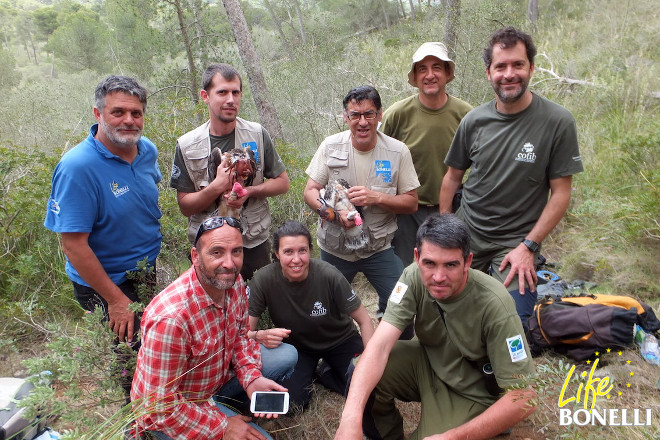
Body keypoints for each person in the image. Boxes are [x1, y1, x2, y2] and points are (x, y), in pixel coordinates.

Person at [335, 214, 537, 440]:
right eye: (429, 263)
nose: (438, 277)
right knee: (360, 369)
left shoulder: (495, 304)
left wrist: (453, 437)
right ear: (417, 257)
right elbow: (379, 346)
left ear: (467, 262)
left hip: (473, 392)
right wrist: (350, 419)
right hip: (429, 366)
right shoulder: (413, 276)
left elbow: (525, 396)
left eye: (451, 265)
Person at [440, 27, 583, 328]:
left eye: (517, 64)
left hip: (516, 242)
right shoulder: (474, 121)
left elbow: (560, 194)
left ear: (531, 67)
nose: (509, 74)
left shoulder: (557, 122)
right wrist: (446, 230)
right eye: (500, 66)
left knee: (511, 325)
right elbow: (452, 177)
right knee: (443, 312)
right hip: (468, 232)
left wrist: (528, 247)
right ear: (488, 72)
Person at [131, 216, 297, 440]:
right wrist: (222, 427)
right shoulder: (171, 319)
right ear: (195, 257)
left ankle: (230, 405)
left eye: (236, 251)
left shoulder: (232, 283)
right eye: (217, 252)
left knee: (286, 355)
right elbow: (156, 407)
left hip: (214, 383)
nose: (229, 263)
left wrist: (250, 377)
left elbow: (240, 336)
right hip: (179, 408)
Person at [44, 75, 161, 344]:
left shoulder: (146, 151)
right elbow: (73, 246)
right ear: (98, 114)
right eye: (117, 112)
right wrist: (116, 300)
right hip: (107, 283)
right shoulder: (77, 168)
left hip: (145, 269)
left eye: (136, 113)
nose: (129, 120)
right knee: (130, 357)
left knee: (153, 346)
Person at [303, 85, 419, 322]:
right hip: (335, 249)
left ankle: (397, 353)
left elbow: (411, 203)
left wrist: (376, 197)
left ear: (380, 115)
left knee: (402, 305)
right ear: (346, 117)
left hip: (379, 248)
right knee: (326, 311)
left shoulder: (398, 152)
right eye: (355, 115)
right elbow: (310, 191)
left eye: (369, 114)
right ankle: (341, 355)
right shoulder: (330, 146)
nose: (362, 122)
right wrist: (332, 214)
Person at [170, 63, 290, 281]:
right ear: (205, 96)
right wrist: (216, 186)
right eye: (222, 92)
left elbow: (283, 183)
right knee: (213, 306)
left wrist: (250, 192)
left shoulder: (256, 134)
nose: (230, 100)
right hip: (210, 243)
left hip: (252, 241)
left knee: (257, 304)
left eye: (235, 92)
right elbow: (185, 207)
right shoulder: (187, 145)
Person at [248, 220, 375, 408]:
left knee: (368, 388)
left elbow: (364, 321)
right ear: (276, 253)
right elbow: (244, 332)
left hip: (340, 340)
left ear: (310, 251)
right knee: (294, 403)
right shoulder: (263, 280)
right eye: (288, 252)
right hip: (298, 347)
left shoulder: (329, 275)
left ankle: (326, 373)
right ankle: (315, 373)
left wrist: (370, 361)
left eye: (302, 250)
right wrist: (260, 335)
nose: (296, 259)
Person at [381, 42, 472, 266]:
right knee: (408, 271)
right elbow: (381, 161)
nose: (429, 75)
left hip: (455, 207)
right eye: (422, 69)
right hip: (408, 212)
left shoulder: (467, 115)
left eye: (436, 67)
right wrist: (387, 202)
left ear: (447, 73)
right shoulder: (397, 114)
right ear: (415, 76)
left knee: (451, 269)